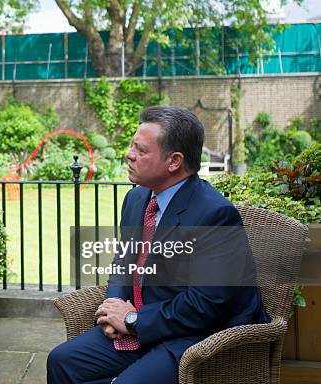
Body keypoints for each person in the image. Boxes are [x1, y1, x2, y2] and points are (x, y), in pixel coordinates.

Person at [47, 106, 268, 384]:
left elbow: (205, 305)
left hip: (198, 336)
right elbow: (123, 261)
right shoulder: (137, 198)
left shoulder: (214, 216)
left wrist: (133, 320)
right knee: (62, 361)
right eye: (132, 145)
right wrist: (114, 306)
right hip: (143, 323)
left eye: (141, 150)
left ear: (174, 161)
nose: (129, 154)